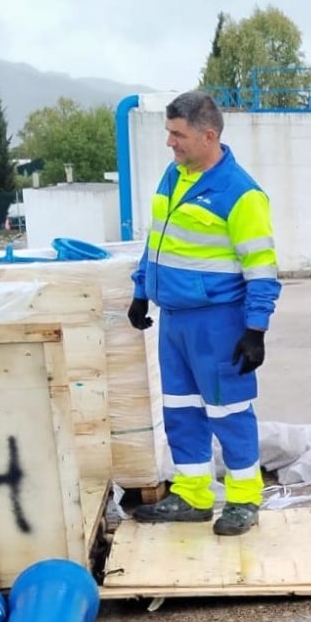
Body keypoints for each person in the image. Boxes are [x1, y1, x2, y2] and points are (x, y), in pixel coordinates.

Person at [128, 91, 282, 536]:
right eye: (168, 133)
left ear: (208, 135)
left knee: (229, 411)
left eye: (178, 135)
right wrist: (142, 290)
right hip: (174, 318)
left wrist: (256, 330)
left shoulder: (242, 194)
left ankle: (243, 499)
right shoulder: (174, 177)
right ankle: (194, 496)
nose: (170, 143)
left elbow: (262, 269)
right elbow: (156, 240)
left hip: (218, 321)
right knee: (180, 410)